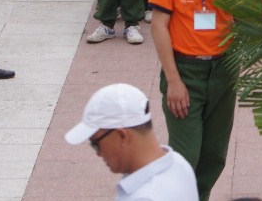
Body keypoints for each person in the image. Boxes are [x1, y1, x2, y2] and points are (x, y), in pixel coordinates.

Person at [148, 0, 237, 201]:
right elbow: (159, 25)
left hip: (224, 72)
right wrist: (173, 80)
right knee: (185, 158)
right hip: (185, 71)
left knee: (214, 157)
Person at [65, 82, 198, 200]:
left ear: (122, 136)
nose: (98, 153)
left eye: (96, 144)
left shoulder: (144, 196)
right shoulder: (178, 162)